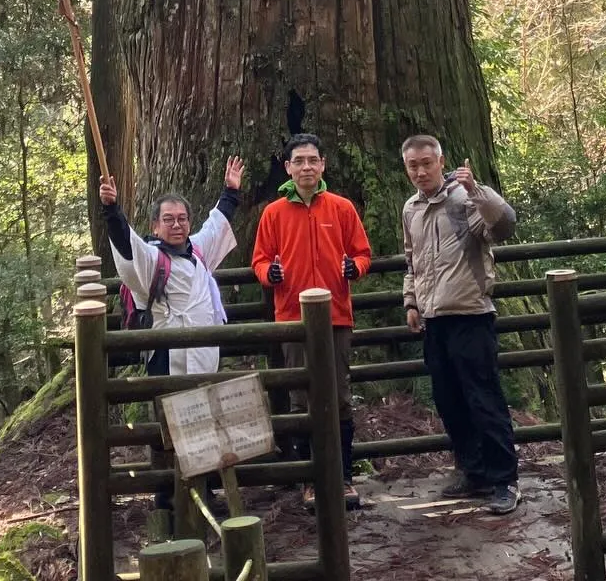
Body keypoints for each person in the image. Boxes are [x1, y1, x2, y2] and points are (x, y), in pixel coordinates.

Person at [400, 134, 521, 515]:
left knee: (484, 400)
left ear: (441, 161)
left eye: (426, 163)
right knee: (449, 401)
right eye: (413, 165)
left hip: (471, 315)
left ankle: (505, 480)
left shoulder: (464, 199)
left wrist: (477, 189)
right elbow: (412, 259)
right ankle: (474, 471)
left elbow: (504, 226)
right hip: (434, 321)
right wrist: (411, 302)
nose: (420, 171)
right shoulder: (411, 209)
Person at [251, 133, 371, 509]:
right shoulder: (274, 213)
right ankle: (309, 480)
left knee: (339, 396)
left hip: (336, 315)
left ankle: (344, 477)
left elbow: (363, 253)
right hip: (292, 316)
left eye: (312, 160)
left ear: (322, 165)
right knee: (303, 397)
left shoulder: (341, 208)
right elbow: (259, 259)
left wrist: (355, 268)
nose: (306, 167)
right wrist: (268, 273)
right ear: (287, 167)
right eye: (298, 161)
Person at [99, 156, 244, 375]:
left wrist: (231, 192)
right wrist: (111, 210)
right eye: (168, 219)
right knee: (167, 403)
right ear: (155, 226)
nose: (177, 225)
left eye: (182, 218)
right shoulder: (151, 257)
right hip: (166, 352)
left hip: (204, 349)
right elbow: (126, 242)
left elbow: (217, 223)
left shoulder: (197, 248)